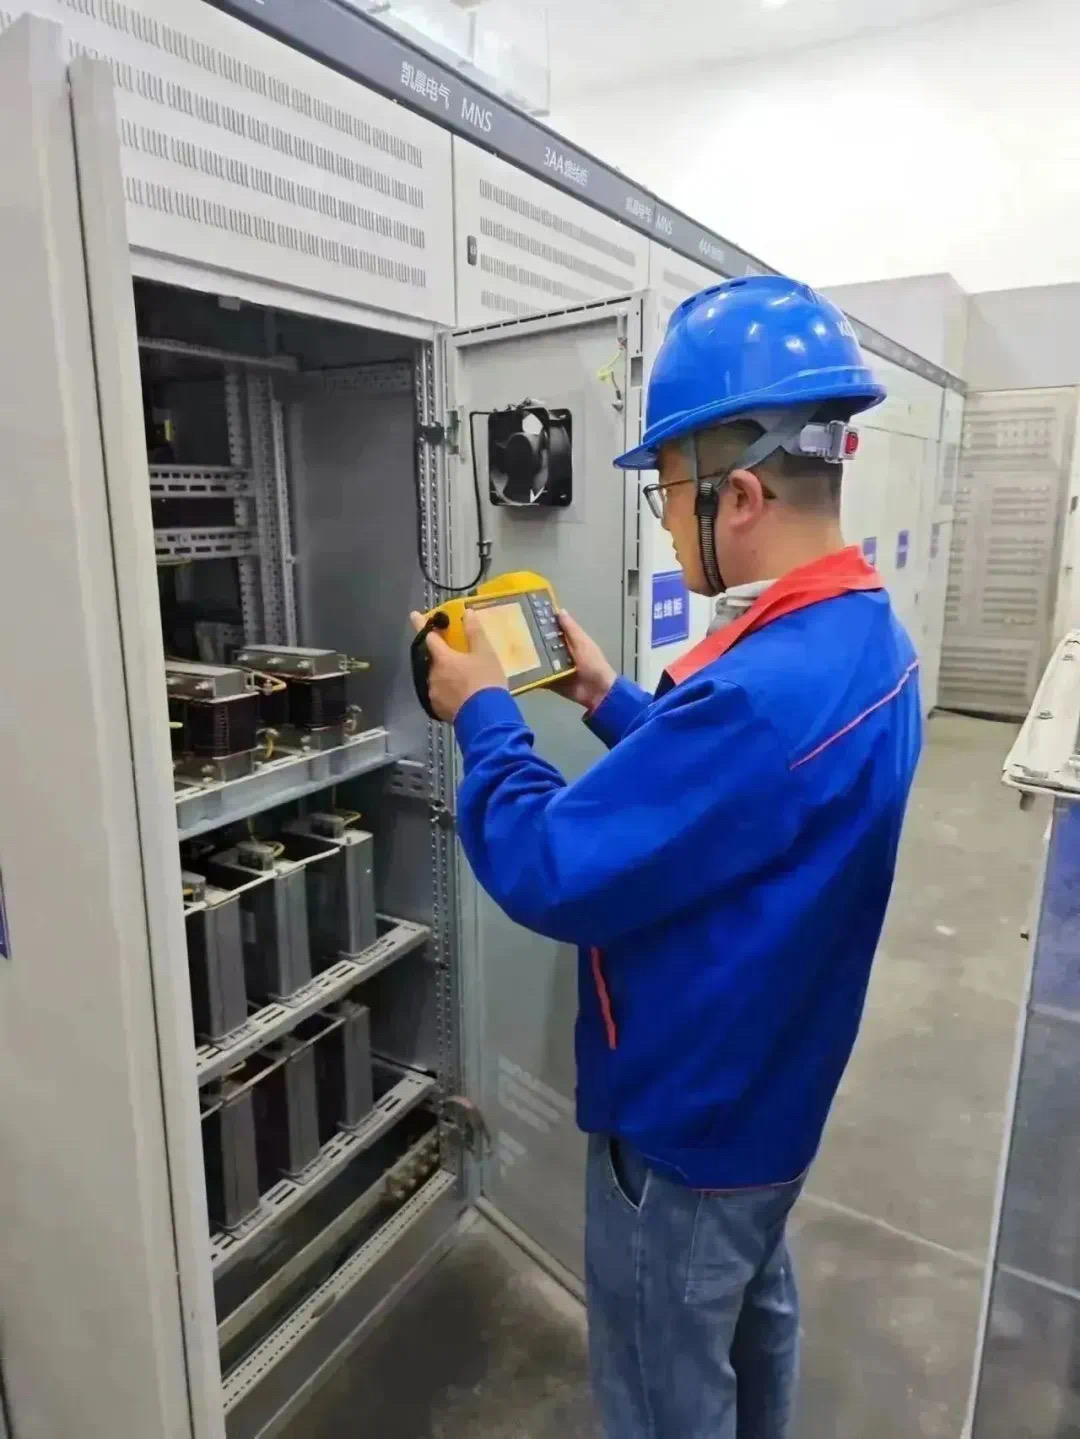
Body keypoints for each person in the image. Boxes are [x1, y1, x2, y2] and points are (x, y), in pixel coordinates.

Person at [411, 275, 922, 1438]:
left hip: (689, 1120)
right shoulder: (860, 640)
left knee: (661, 1388)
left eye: (667, 492)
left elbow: (552, 864)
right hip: (771, 1100)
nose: (662, 519)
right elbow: (746, 802)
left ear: (737, 495)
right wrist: (605, 694)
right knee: (748, 1312)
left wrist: (483, 711)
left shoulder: (760, 690)